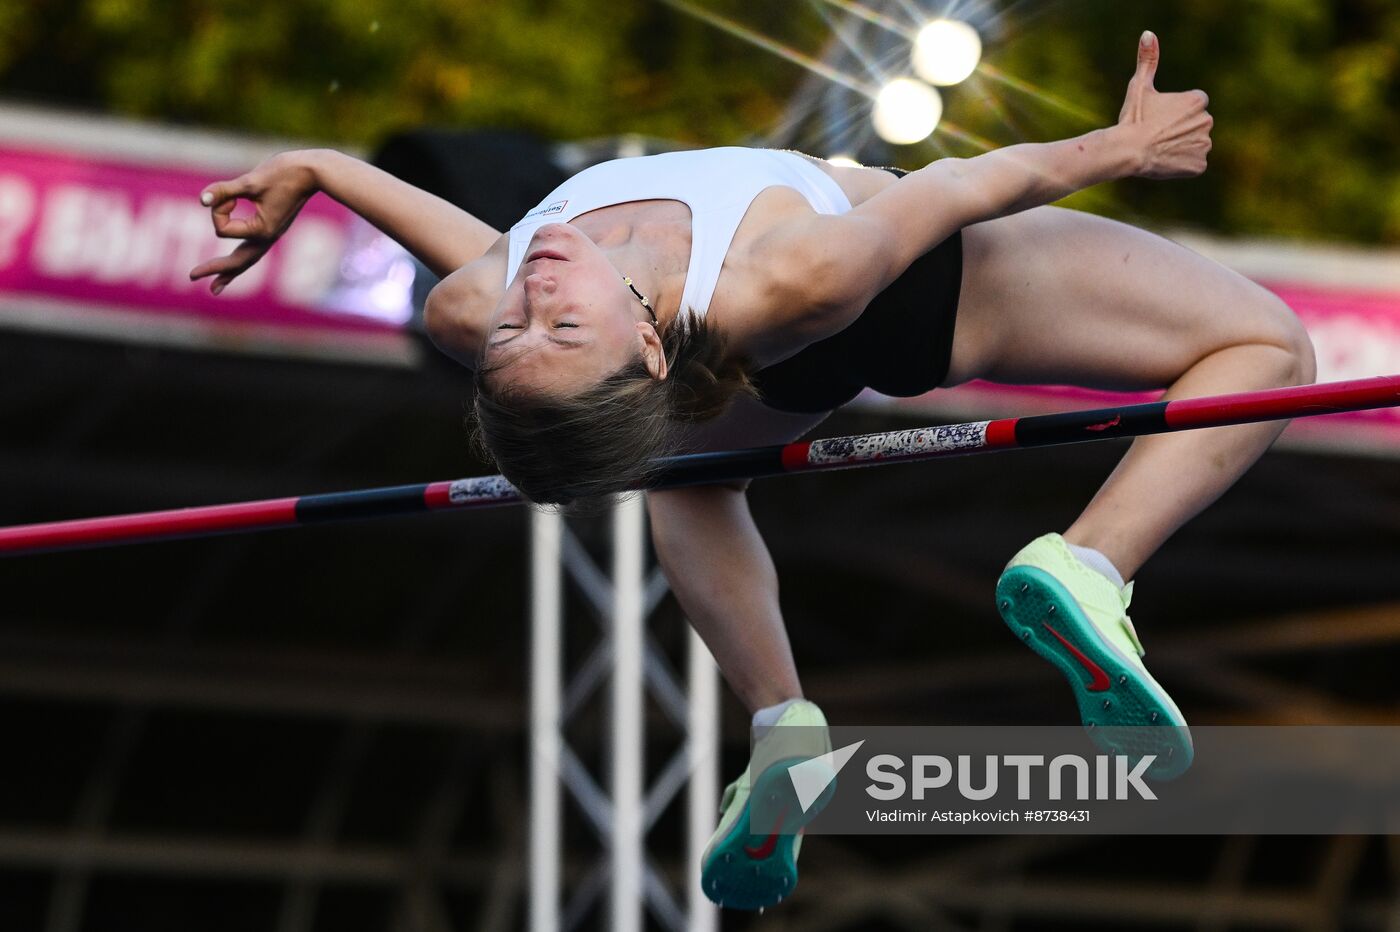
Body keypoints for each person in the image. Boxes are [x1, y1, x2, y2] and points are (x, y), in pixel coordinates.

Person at [191, 32, 1315, 911]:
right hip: (901, 286)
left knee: (686, 472)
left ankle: (782, 724)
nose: (530, 291)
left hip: (748, 359)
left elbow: (472, 256)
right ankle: (1087, 564)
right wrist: (1118, 150)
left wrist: (326, 169)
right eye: (556, 325)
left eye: (514, 330)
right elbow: (968, 186)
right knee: (1266, 348)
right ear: (635, 341)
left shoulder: (476, 304)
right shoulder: (791, 275)